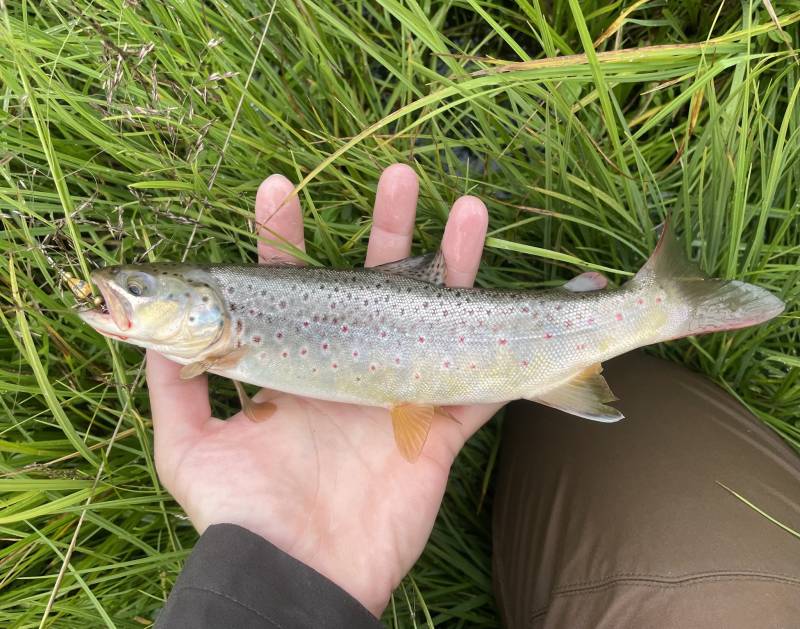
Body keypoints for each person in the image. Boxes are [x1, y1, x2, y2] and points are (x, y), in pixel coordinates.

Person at [150, 165, 800, 628]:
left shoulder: (228, 331)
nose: (125, 300)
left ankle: (649, 310)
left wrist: (263, 592)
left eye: (141, 288)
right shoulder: (224, 333)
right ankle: (638, 318)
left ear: (206, 302)